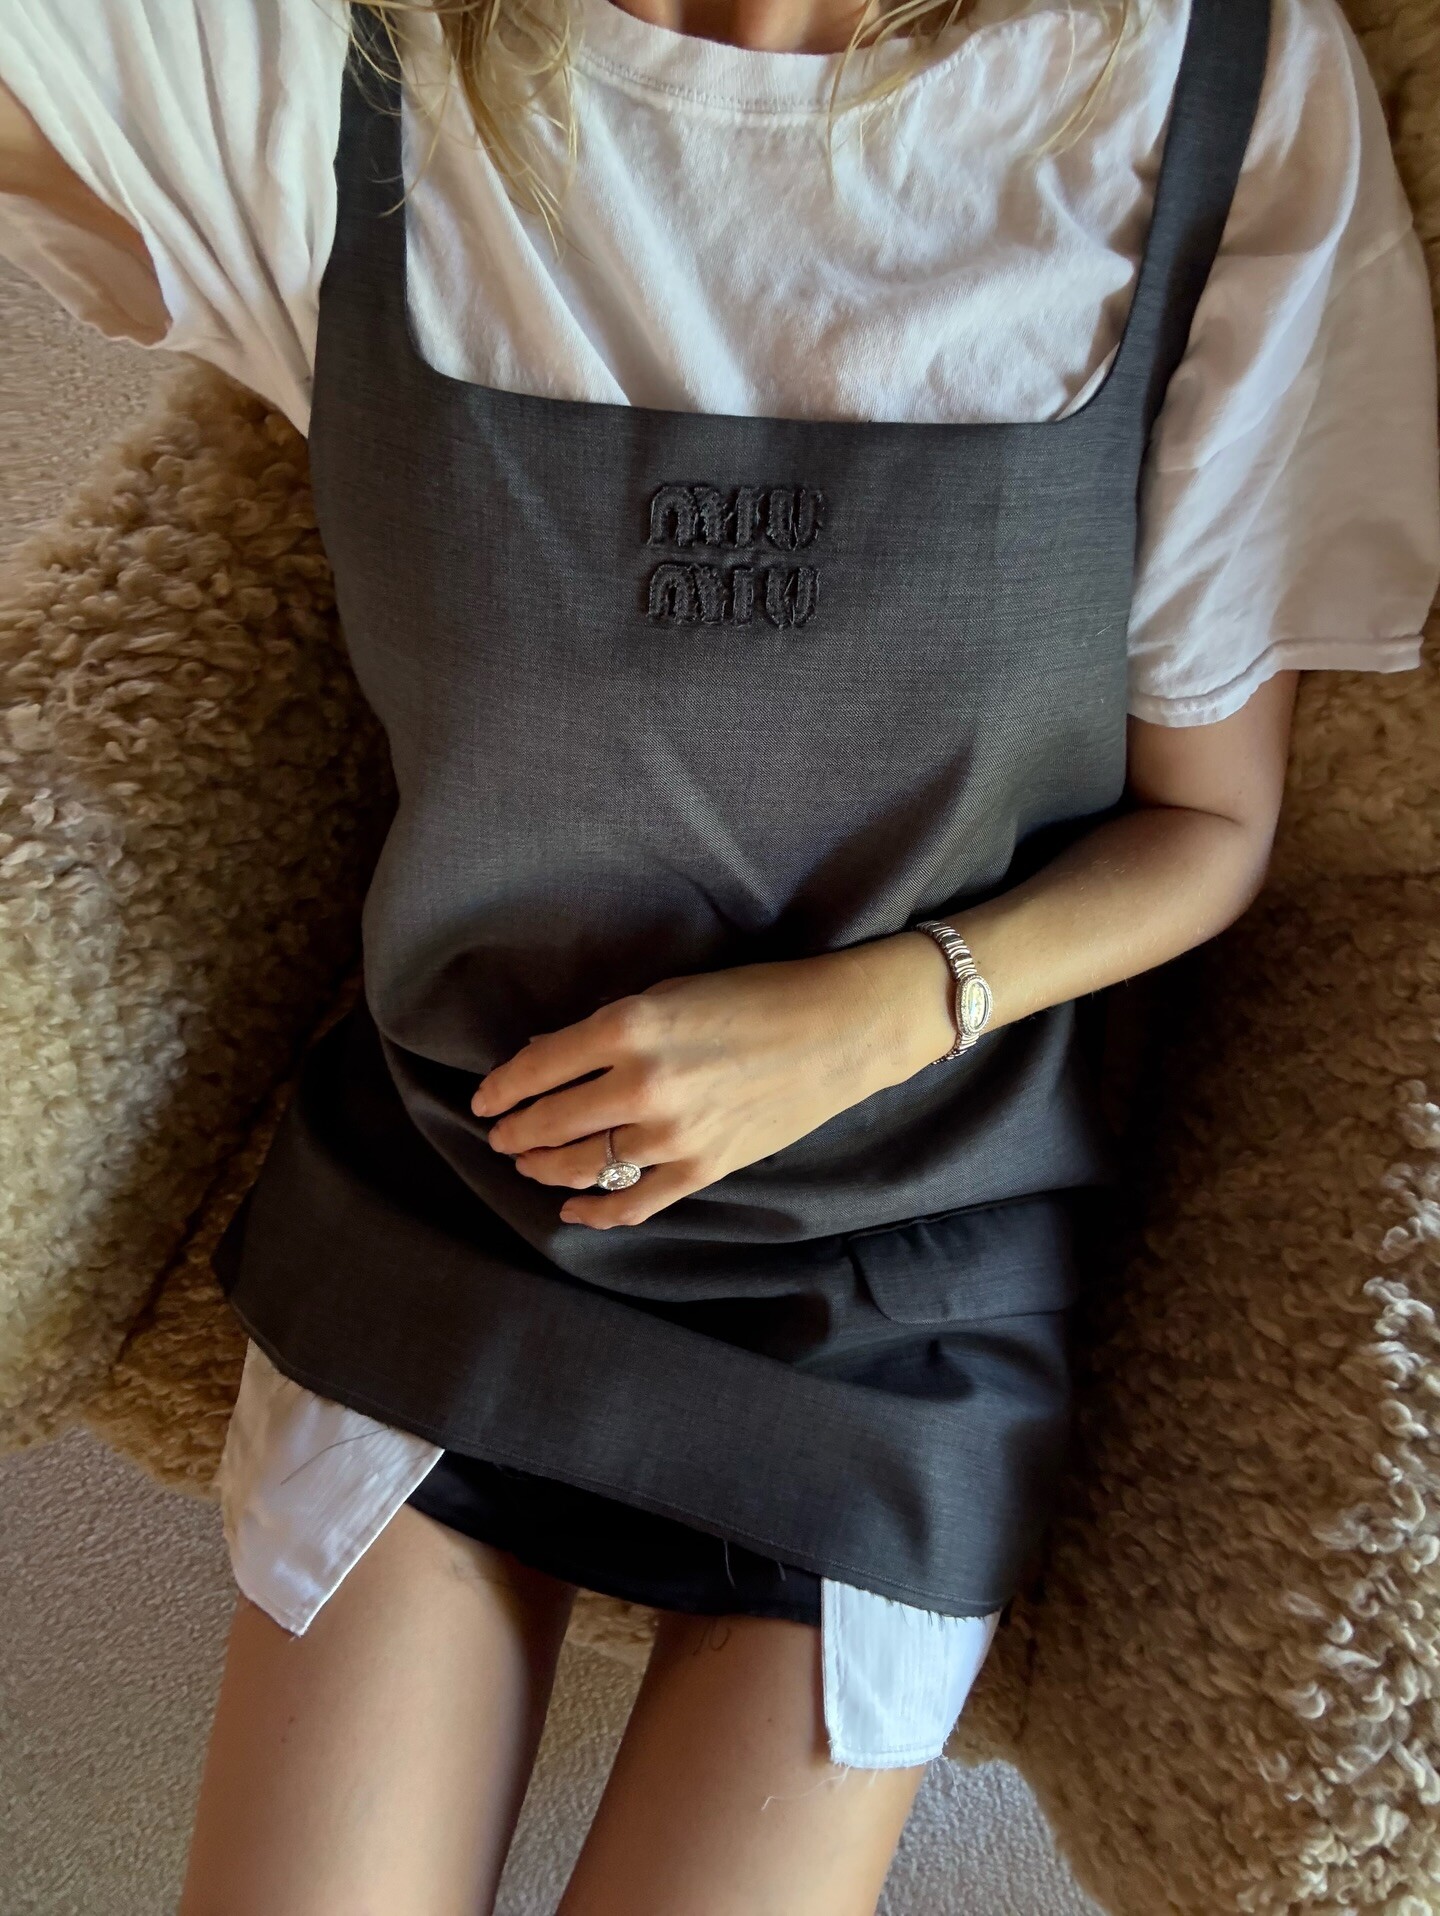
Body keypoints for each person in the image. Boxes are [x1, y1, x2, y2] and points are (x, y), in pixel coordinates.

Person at [1, 0, 1436, 1909]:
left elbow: (1211, 828)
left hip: (906, 1292)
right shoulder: (356, 65)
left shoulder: (1203, 85)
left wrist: (883, 1008)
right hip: (457, 1199)